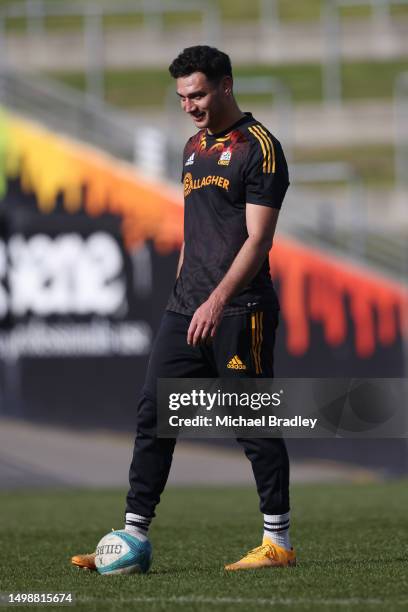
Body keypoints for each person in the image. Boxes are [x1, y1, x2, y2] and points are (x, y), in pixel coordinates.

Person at [72, 45, 295, 571]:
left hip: (241, 310)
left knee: (253, 424)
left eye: (197, 94)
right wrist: (184, 300)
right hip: (186, 308)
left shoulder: (259, 148)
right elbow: (198, 236)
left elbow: (258, 240)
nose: (189, 105)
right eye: (181, 97)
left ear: (225, 84)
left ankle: (278, 543)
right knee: (154, 414)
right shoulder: (193, 147)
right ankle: (131, 538)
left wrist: (218, 300)